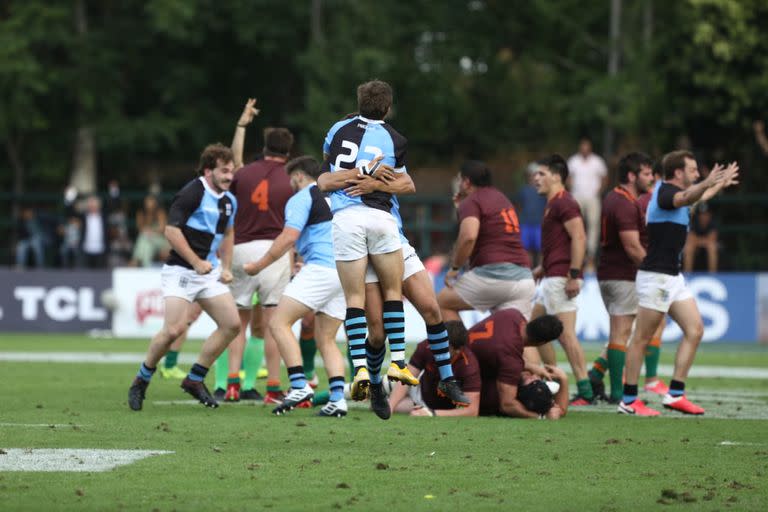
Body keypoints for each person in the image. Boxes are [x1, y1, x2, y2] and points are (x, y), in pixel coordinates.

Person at [320, 154, 470, 418]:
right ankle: (376, 385)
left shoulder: (381, 152)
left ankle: (448, 379)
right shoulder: (335, 164)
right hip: (362, 248)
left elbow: (407, 185)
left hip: (393, 240)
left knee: (431, 309)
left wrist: (375, 185)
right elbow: (323, 183)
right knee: (377, 333)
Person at [317, 80, 415, 404]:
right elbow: (405, 184)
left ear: (358, 102)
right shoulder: (396, 140)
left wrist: (353, 176)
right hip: (382, 219)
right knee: (393, 292)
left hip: (347, 220)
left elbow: (326, 175)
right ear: (388, 107)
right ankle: (398, 362)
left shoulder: (337, 129)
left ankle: (359, 367)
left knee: (354, 299)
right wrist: (374, 180)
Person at [619, 151, 738, 416]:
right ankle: (628, 400)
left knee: (695, 330)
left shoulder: (678, 198)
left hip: (673, 277)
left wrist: (718, 184)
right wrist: (707, 182)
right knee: (641, 339)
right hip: (656, 277)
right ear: (678, 173)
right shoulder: (665, 193)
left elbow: (696, 197)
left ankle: (675, 394)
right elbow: (686, 197)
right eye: (693, 170)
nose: (697, 174)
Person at [128, 143, 240, 411]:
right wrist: (196, 261)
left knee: (232, 324)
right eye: (224, 171)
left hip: (208, 273)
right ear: (208, 170)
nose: (229, 176)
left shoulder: (229, 201)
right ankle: (141, 379)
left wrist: (226, 266)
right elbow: (171, 231)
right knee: (174, 330)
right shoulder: (192, 192)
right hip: (180, 270)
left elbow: (228, 234)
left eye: (232, 171)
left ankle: (194, 379)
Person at [244, 156, 348, 417]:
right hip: (345, 272)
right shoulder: (336, 195)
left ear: (300, 176)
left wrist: (259, 264)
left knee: (278, 323)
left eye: (292, 178)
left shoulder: (302, 197)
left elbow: (288, 236)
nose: (290, 183)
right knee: (326, 339)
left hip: (321, 269)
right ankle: (337, 398)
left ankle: (299, 384)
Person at [227, 123, 295, 403]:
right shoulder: (291, 178)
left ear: (264, 148)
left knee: (236, 324)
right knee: (272, 324)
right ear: (288, 153)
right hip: (274, 252)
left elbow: (234, 162)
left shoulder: (244, 173)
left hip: (240, 249)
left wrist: (241, 127)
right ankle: (274, 387)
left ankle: (232, 384)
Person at [590, 152, 654, 403]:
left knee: (624, 333)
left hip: (612, 274)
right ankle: (619, 394)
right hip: (622, 276)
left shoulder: (615, 198)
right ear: (631, 176)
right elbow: (632, 247)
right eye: (646, 173)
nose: (650, 178)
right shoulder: (625, 203)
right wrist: (654, 271)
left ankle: (597, 373)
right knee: (621, 333)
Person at [438, 161, 534, 323]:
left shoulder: (472, 201)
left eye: (460, 180)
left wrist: (454, 268)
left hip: (495, 276)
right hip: (523, 277)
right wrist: (461, 210)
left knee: (441, 303)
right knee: (519, 337)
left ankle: (459, 349)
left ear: (467, 182)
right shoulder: (501, 197)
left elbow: (469, 236)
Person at [532, 154, 593, 405]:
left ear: (557, 177)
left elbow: (579, 237)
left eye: (542, 174)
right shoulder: (553, 203)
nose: (536, 178)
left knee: (566, 336)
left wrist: (574, 275)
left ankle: (586, 391)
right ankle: (552, 379)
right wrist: (542, 267)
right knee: (532, 330)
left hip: (561, 278)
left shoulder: (564, 202)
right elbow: (559, 242)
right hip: (551, 276)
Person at [466, 308, 568, 419]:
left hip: (452, 357)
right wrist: (540, 417)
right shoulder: (510, 361)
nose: (532, 375)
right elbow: (507, 405)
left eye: (534, 381)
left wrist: (562, 378)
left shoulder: (512, 314)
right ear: (542, 343)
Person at [388, 321, 481, 417]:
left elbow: (472, 411)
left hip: (429, 405)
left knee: (383, 405)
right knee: (388, 387)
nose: (436, 347)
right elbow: (406, 378)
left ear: (457, 350)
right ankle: (382, 388)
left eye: (443, 345)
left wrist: (431, 413)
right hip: (419, 389)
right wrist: (390, 408)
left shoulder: (469, 366)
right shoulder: (427, 345)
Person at [567, 137, 608, 269]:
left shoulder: (597, 161)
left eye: (587, 147)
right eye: (582, 147)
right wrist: (572, 187)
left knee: (594, 226)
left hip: (592, 198)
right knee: (576, 225)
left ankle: (590, 258)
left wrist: (599, 191)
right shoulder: (573, 160)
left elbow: (604, 177)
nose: (585, 149)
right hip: (577, 197)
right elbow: (567, 177)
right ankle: (577, 257)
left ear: (590, 148)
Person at [130, 195, 170, 267]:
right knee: (147, 245)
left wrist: (151, 231)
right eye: (147, 202)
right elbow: (140, 228)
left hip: (161, 240)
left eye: (151, 202)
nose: (149, 204)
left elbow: (162, 229)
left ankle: (135, 259)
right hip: (148, 239)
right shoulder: (141, 213)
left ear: (155, 203)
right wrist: (147, 231)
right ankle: (146, 266)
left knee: (143, 237)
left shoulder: (160, 212)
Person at [683, 203, 719, 273]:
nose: (703, 217)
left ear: (709, 215)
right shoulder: (694, 223)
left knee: (712, 247)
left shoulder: (713, 224)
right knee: (688, 247)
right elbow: (690, 239)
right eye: (701, 214)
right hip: (696, 248)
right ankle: (688, 274)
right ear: (698, 216)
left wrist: (697, 240)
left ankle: (713, 275)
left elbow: (712, 240)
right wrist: (703, 241)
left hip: (707, 248)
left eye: (706, 214)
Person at [79, 195, 109, 268]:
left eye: (94, 205)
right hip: (86, 249)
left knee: (100, 276)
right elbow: (69, 212)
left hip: (101, 250)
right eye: (90, 205)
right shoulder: (82, 217)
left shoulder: (104, 217)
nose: (92, 207)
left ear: (99, 206)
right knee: (85, 275)